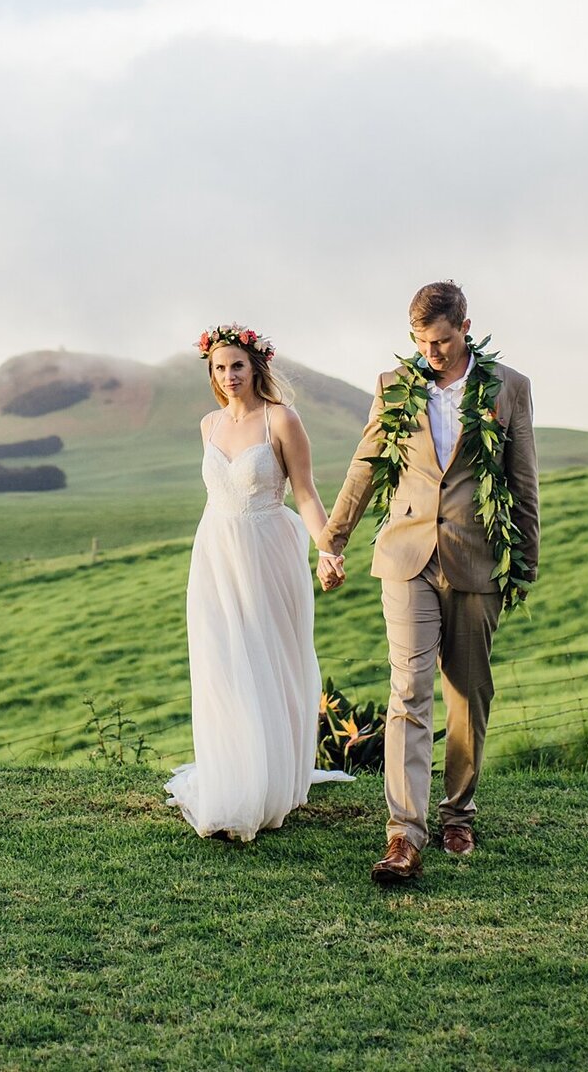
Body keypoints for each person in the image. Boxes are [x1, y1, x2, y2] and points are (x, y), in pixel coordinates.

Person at [317, 281, 539, 883]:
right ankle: (403, 836)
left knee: (468, 692)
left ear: (466, 327)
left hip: (477, 559)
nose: (431, 352)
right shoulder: (394, 387)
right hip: (406, 556)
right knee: (409, 687)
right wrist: (332, 541)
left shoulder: (508, 388)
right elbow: (365, 467)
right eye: (420, 341)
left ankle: (458, 813)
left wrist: (526, 562)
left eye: (440, 341)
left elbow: (522, 482)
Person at [165, 323, 350, 841]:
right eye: (220, 368)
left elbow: (308, 494)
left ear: (256, 367)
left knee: (269, 659)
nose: (229, 377)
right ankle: (232, 779)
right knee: (222, 662)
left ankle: (270, 783)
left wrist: (327, 548)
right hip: (215, 555)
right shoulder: (208, 425)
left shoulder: (281, 420)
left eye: (237, 366)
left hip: (267, 551)